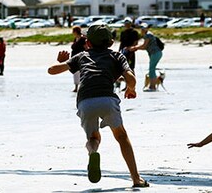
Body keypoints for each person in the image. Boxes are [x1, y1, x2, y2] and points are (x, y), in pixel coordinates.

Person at [47, 22, 149, 188]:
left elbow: (52, 70)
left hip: (85, 101)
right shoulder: (117, 56)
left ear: (87, 43)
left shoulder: (82, 56)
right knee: (121, 137)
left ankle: (93, 152)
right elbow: (131, 79)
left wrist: (61, 61)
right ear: (111, 42)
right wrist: (131, 89)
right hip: (107, 99)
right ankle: (136, 179)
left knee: (93, 138)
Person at [127, 24, 162, 91]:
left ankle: (152, 87)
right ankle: (152, 86)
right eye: (142, 28)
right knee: (152, 69)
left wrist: (134, 47)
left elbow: (144, 46)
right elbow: (145, 47)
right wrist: (136, 48)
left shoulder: (148, 35)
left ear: (146, 29)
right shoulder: (148, 35)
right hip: (156, 53)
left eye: (144, 28)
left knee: (151, 69)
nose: (142, 30)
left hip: (155, 53)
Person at [70, 26, 88, 92]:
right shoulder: (75, 39)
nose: (72, 33)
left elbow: (86, 48)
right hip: (74, 58)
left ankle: (82, 86)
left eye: (73, 31)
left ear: (75, 31)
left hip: (81, 58)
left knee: (82, 72)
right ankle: (76, 87)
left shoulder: (83, 39)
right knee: (75, 72)